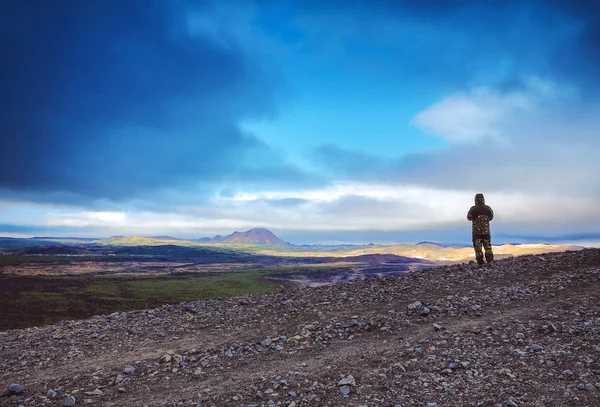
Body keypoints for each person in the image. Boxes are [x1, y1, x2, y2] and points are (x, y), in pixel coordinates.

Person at [467, 193, 494, 267]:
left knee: (478, 249)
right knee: (487, 247)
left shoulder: (473, 209)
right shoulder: (488, 208)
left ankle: (480, 263)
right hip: (486, 232)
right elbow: (491, 217)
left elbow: (469, 217)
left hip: (476, 233)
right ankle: (489, 261)